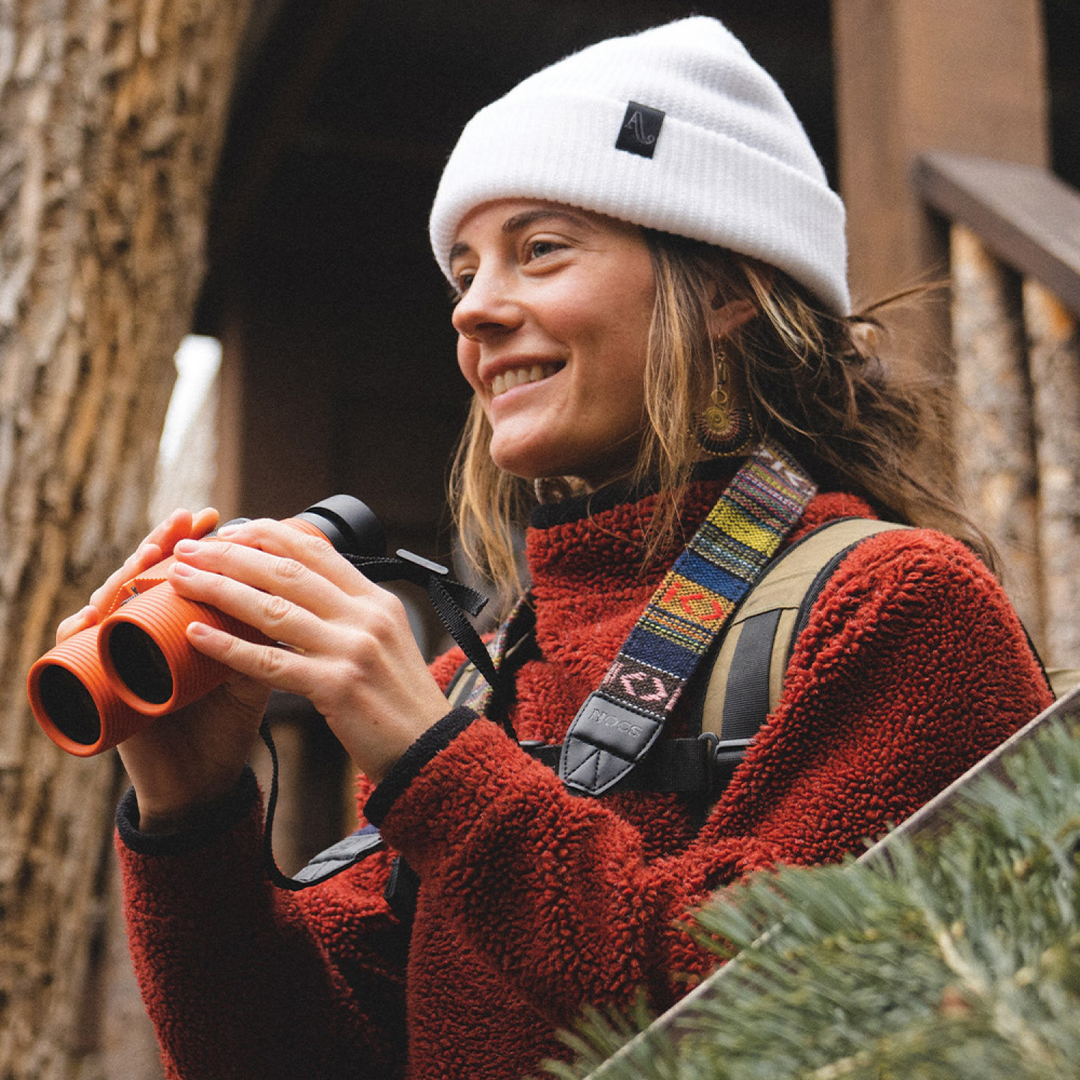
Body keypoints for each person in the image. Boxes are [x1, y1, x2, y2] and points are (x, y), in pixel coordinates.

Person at [56, 17, 1052, 1080]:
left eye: (539, 250)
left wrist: (441, 769)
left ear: (728, 288)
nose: (474, 312)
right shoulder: (478, 680)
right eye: (464, 273)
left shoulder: (900, 606)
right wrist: (192, 817)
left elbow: (805, 1013)